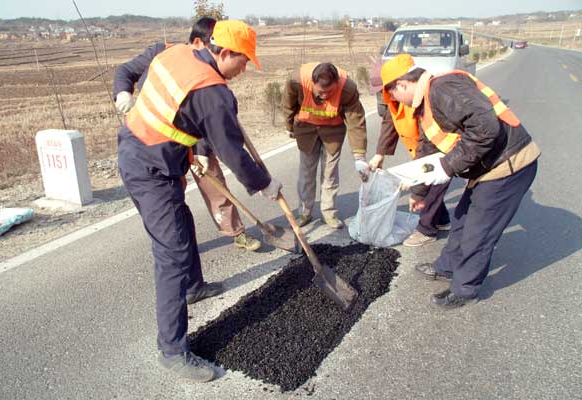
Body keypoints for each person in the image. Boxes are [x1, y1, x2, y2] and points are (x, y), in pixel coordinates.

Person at [117, 20, 282, 381]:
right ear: (226, 52)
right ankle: (172, 351)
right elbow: (233, 154)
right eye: (243, 61)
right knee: (172, 253)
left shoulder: (176, 52)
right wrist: (264, 183)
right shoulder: (213, 92)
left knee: (183, 221)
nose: (244, 70)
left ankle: (193, 288)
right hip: (150, 168)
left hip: (146, 153)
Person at [381, 54, 540, 309]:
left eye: (394, 97)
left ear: (402, 84)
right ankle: (447, 267)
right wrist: (419, 194)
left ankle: (465, 289)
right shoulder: (427, 105)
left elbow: (487, 128)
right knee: (462, 218)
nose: (398, 104)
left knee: (478, 232)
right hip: (487, 168)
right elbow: (426, 152)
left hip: (509, 165)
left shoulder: (444, 88)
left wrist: (448, 166)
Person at [114, 17, 261, 252]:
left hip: (198, 137)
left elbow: (209, 119)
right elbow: (126, 71)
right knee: (169, 196)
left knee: (215, 184)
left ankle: (235, 231)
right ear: (197, 42)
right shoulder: (164, 52)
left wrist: (202, 151)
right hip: (158, 141)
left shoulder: (209, 74)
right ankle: (174, 237)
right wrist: (123, 92)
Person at [368, 59, 451, 247]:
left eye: (386, 90)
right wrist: (380, 153)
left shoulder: (421, 98)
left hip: (437, 149)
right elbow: (389, 123)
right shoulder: (395, 100)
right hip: (420, 151)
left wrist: (417, 189)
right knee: (429, 186)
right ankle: (443, 219)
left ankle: (426, 230)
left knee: (432, 186)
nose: (385, 95)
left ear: (400, 83)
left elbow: (429, 144)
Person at [281, 62, 368, 229]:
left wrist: (359, 156)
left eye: (329, 92)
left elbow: (356, 121)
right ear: (312, 83)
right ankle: (304, 212)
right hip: (306, 128)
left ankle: (329, 213)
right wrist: (289, 126)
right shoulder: (297, 81)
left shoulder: (347, 88)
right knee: (306, 172)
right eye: (320, 92)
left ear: (336, 83)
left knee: (330, 173)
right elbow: (288, 104)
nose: (325, 96)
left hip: (333, 131)